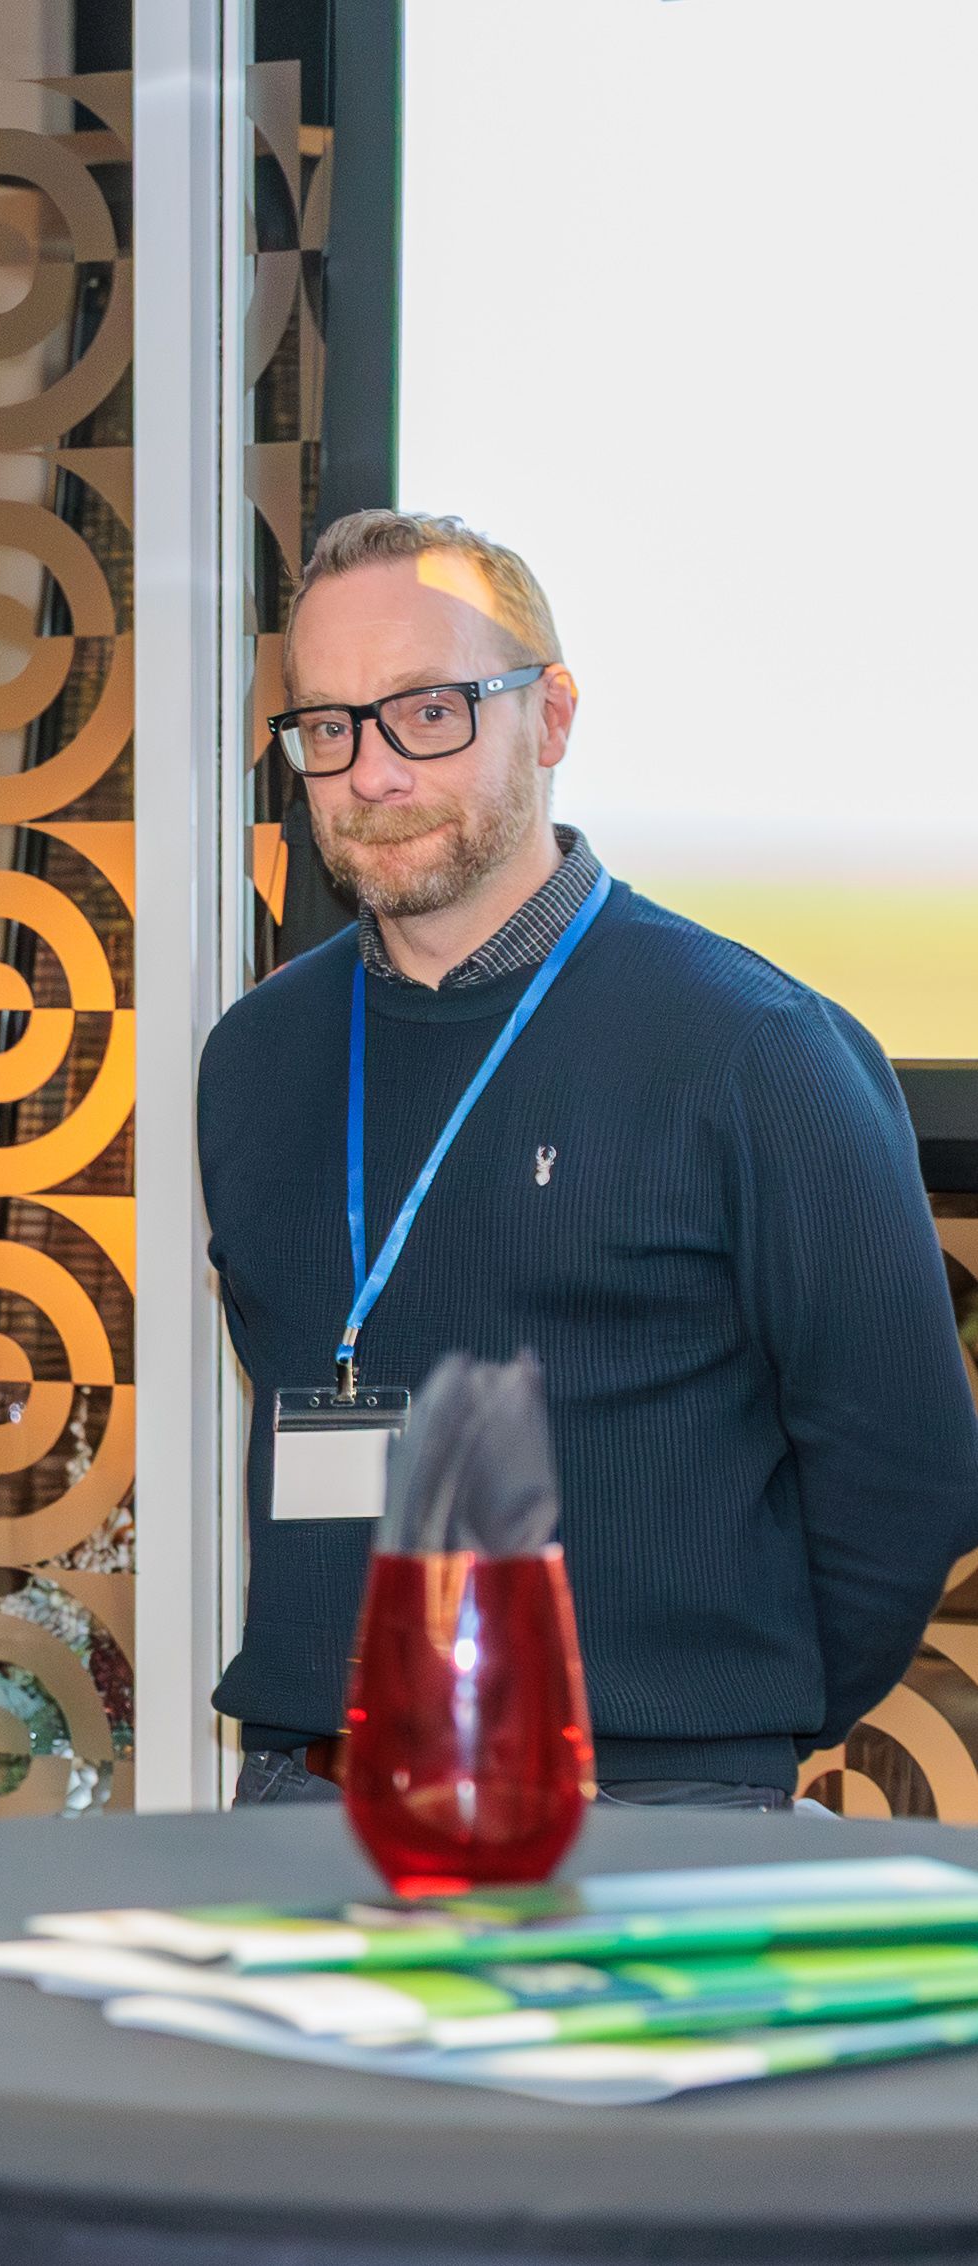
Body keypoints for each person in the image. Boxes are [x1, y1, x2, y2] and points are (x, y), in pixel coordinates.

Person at [200, 508, 978, 1811]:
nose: (373, 772)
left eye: (428, 712)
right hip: (306, 1799)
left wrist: (707, 1738)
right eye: (329, 727)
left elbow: (907, 1476)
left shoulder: (757, 1047)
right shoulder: (256, 1059)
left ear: (550, 717)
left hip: (640, 1817)